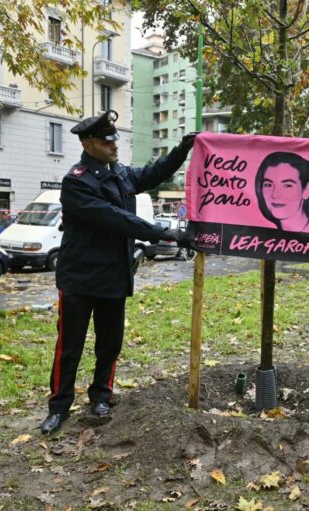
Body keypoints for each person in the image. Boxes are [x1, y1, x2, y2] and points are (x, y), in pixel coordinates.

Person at [39, 110, 194, 435]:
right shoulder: (76, 182)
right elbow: (113, 219)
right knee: (70, 347)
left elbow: (153, 174)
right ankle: (59, 407)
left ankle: (100, 396)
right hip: (79, 279)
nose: (114, 145)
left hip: (113, 275)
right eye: (107, 140)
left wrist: (182, 150)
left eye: (114, 139)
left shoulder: (120, 173)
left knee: (109, 344)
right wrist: (164, 232)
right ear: (89, 143)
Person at [254, 151, 309, 232]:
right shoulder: (263, 236)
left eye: (287, 185)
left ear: (306, 190)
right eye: (268, 185)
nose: (275, 195)